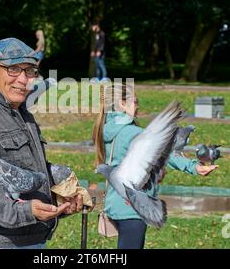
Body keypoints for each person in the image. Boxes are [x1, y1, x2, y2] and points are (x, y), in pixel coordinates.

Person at [0, 37, 83, 249]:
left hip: (34, 240)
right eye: (13, 69)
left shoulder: (22, 114)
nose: (24, 79)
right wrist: (25, 211)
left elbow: (27, 172)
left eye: (30, 71)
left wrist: (61, 195)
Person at [92, 83, 218, 249]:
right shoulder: (133, 133)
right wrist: (194, 167)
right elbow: (164, 152)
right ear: (122, 104)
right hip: (133, 208)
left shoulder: (105, 130)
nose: (138, 106)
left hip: (114, 205)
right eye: (135, 102)